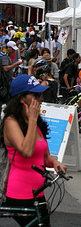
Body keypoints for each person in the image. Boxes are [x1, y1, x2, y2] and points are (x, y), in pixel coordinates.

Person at [2, 74, 66, 226]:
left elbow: (45, 157)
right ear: (21, 98)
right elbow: (26, 151)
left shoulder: (36, 122)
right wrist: (31, 119)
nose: (40, 99)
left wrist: (55, 163)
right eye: (35, 95)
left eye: (41, 95)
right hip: (20, 193)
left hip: (38, 192)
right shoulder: (11, 122)